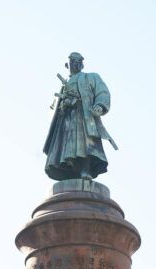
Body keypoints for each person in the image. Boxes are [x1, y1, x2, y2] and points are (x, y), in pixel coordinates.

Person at [43, 52, 117, 181]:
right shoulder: (63, 85)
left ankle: (85, 169)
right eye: (73, 62)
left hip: (83, 115)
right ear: (67, 65)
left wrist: (100, 105)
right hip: (65, 119)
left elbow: (102, 92)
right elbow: (52, 108)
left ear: (82, 65)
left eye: (78, 62)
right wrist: (62, 105)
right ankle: (69, 170)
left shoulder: (91, 77)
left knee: (84, 145)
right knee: (66, 147)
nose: (76, 64)